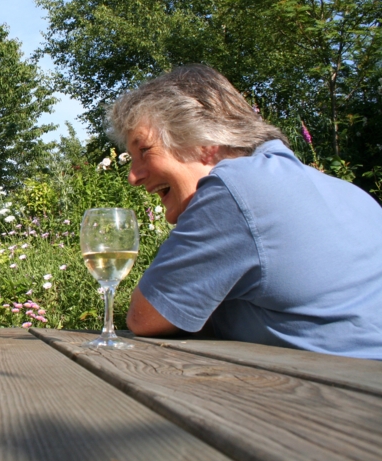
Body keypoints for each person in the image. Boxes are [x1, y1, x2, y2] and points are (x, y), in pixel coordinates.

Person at [109, 64, 382, 360]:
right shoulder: (350, 193)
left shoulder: (234, 188)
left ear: (204, 143)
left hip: (349, 394)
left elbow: (146, 317)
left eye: (145, 150)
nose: (133, 177)